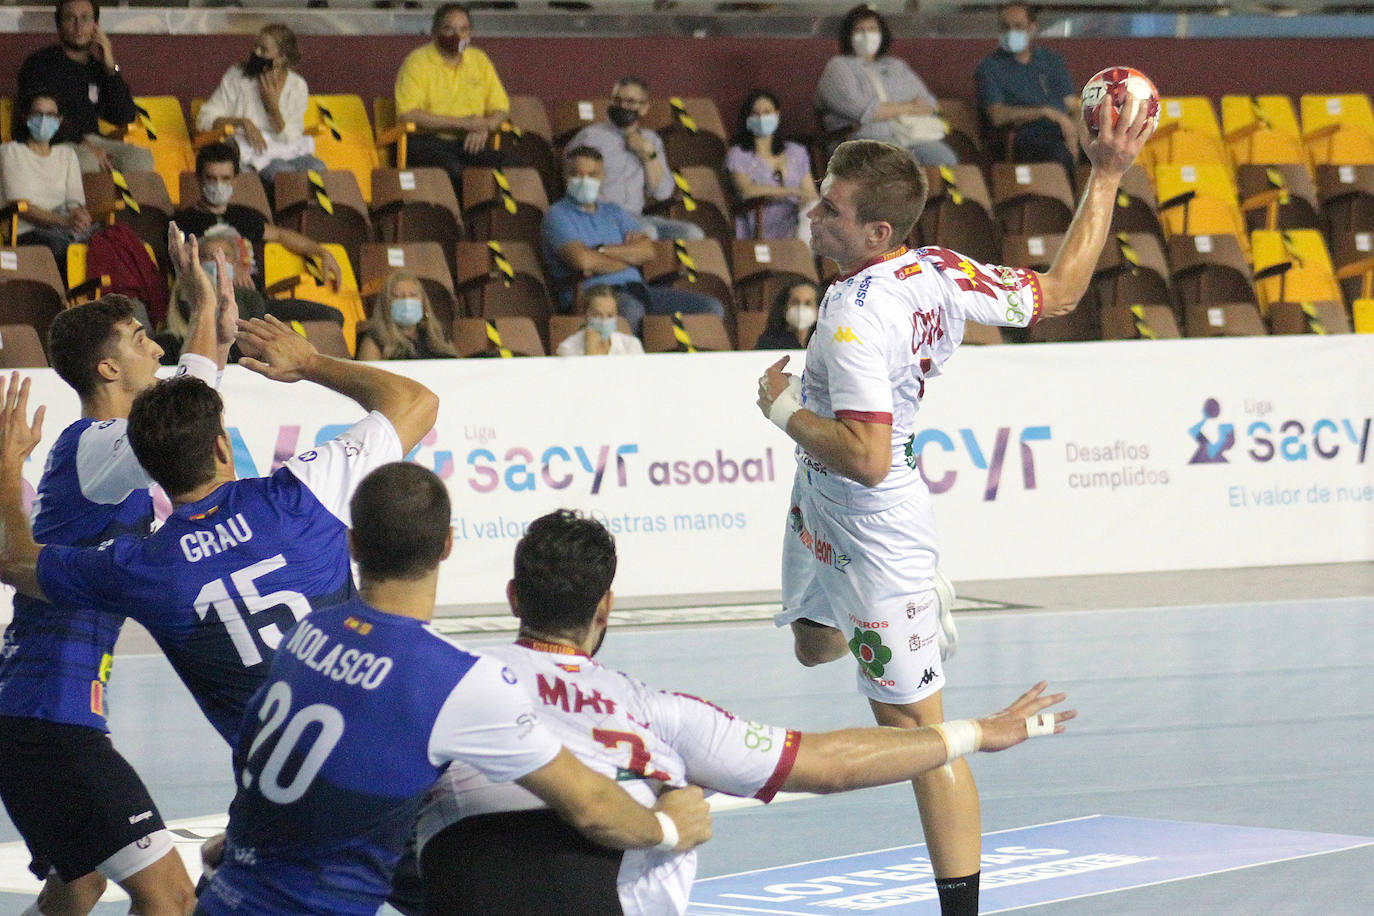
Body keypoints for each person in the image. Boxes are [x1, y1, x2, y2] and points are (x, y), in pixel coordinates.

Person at [754, 112, 1152, 916]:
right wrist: (1105, 174)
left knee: (920, 740)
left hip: (872, 520)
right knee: (808, 647)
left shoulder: (856, 315)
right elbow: (1061, 291)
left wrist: (781, 407)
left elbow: (865, 458)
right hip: (820, 500)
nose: (813, 212)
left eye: (829, 206)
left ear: (875, 229)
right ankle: (896, 623)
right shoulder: (931, 266)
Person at [411, 510, 1072, 916]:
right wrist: (977, 732)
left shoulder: (443, 675)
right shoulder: (658, 713)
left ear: (512, 596)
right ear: (606, 606)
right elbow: (831, 764)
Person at [187, 466, 713, 916]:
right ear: (447, 544)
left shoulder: (310, 633)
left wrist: (241, 844)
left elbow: (266, 754)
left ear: (351, 543)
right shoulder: (451, 679)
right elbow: (591, 805)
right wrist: (666, 827)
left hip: (223, 895)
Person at [0, 312, 440, 749]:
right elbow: (417, 402)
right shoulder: (300, 496)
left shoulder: (145, 567)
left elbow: (15, 561)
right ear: (223, 444)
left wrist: (8, 469)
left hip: (275, 796)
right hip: (386, 751)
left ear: (150, 472)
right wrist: (309, 363)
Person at [0, 226, 236, 916]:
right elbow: (192, 406)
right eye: (141, 340)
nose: (156, 349)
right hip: (49, 720)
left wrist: (208, 318)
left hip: (42, 714)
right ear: (106, 369)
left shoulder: (113, 458)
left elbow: (194, 405)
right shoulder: (98, 450)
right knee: (170, 897)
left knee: (79, 884)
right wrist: (196, 319)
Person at [542, 145, 724, 333]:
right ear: (565, 176)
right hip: (593, 296)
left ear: (602, 176)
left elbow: (648, 251)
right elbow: (583, 261)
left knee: (710, 308)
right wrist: (628, 258)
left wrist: (602, 250)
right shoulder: (557, 215)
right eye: (577, 175)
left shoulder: (613, 211)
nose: (584, 181)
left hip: (637, 289)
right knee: (632, 310)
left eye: (592, 174)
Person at [173, 142, 342, 290]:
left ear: (235, 180)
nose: (218, 185)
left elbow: (281, 235)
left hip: (254, 300)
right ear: (198, 179)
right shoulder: (182, 222)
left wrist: (321, 252)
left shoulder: (244, 216)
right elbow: (183, 264)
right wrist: (227, 269)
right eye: (211, 178)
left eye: (225, 178)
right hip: (211, 300)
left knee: (330, 316)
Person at [16, 0, 154, 175]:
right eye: (70, 18)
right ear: (59, 26)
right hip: (53, 141)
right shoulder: (41, 64)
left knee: (140, 158)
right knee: (86, 160)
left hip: (94, 141)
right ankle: (86, 203)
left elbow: (124, 115)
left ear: (96, 26)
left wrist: (111, 68)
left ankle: (136, 204)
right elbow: (34, 117)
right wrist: (83, 144)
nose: (78, 25)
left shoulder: (97, 68)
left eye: (85, 18)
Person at [815, 5, 957, 166]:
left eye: (872, 29)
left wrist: (890, 109)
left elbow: (929, 104)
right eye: (859, 30)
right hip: (864, 142)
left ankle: (942, 192)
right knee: (901, 162)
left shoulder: (896, 66)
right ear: (848, 35)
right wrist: (909, 107)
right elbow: (863, 111)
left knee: (943, 157)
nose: (867, 35)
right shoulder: (838, 67)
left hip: (910, 135)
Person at [568, 76, 703, 242]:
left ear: (644, 108)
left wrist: (648, 155)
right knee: (648, 233)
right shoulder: (590, 136)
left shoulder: (651, 140)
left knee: (693, 233)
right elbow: (571, 178)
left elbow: (662, 193)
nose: (623, 106)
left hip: (637, 217)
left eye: (630, 102)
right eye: (618, 100)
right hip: (602, 216)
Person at [394, 2, 509, 195]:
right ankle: (458, 223)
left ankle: (490, 221)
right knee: (453, 170)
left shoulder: (479, 60)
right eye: (449, 29)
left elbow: (501, 110)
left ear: (470, 33)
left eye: (463, 30)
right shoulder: (417, 61)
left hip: (469, 142)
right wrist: (463, 124)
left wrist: (484, 126)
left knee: (511, 166)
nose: (457, 36)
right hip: (425, 141)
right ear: (435, 30)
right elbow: (408, 115)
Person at [195, 24, 326, 184]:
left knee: (317, 167)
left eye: (263, 50)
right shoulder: (238, 76)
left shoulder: (297, 85)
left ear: (282, 58)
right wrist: (243, 123)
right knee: (283, 173)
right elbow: (204, 119)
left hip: (285, 149)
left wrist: (272, 106)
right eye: (255, 47)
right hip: (247, 151)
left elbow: (291, 136)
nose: (256, 53)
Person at [974, 2, 1080, 179]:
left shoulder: (1051, 60)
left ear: (1033, 28)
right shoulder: (989, 67)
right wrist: (1044, 112)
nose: (1011, 32)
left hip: (1063, 130)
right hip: (1025, 136)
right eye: (1005, 27)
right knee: (1059, 153)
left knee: (1102, 148)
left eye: (1018, 27)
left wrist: (1077, 128)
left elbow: (1072, 105)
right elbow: (997, 115)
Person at [0, 90, 90, 282]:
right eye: (37, 114)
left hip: (64, 229)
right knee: (58, 247)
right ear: (25, 117)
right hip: (25, 231)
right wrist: (64, 221)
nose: (43, 120)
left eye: (50, 115)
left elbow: (74, 202)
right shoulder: (10, 152)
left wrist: (79, 216)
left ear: (59, 120)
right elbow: (22, 206)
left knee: (106, 243)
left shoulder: (66, 155)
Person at [725, 90, 818, 242]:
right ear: (747, 120)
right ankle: (803, 257)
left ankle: (805, 254)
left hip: (797, 219)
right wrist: (790, 192)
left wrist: (805, 200)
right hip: (763, 225)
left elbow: (810, 194)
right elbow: (746, 191)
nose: (762, 118)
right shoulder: (738, 154)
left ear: (777, 115)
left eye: (767, 112)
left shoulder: (796, 152)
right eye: (755, 113)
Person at [356, 269, 459, 360]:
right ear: (386, 304)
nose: (407, 301)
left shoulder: (437, 336)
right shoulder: (373, 341)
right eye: (399, 296)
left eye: (413, 295)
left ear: (423, 303)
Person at [554, 284, 644, 356]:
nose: (604, 321)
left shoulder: (631, 345)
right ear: (585, 316)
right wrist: (590, 352)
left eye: (610, 315)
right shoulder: (567, 348)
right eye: (597, 315)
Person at [754, 279, 819, 350]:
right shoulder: (768, 342)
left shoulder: (826, 340)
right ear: (784, 309)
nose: (801, 308)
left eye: (807, 304)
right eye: (795, 303)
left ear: (817, 311)